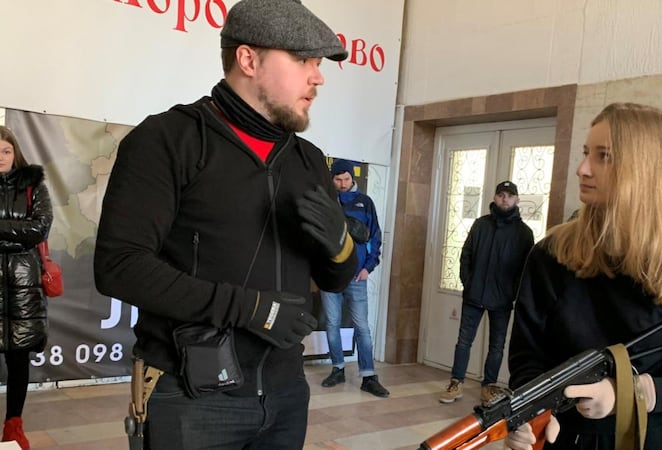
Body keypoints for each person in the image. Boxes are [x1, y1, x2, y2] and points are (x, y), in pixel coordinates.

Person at [93, 1, 358, 448]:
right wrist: (250, 309)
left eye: (319, 64)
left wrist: (341, 245)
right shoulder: (167, 140)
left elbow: (336, 279)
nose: (318, 78)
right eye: (303, 61)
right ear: (248, 59)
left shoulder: (310, 161)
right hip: (190, 395)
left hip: (286, 395)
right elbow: (119, 266)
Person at [504, 103, 662, 450]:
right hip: (559, 438)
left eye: (604, 156)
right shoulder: (551, 253)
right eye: (586, 153)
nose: (582, 169)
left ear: (648, 169)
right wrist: (533, 415)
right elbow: (527, 355)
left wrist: (632, 393)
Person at [439, 181, 534, 404]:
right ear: (494, 197)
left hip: (502, 299)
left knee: (496, 346)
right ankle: (456, 382)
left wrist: (512, 292)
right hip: (474, 295)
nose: (505, 199)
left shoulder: (524, 233)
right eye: (501, 194)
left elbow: (526, 269)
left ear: (516, 199)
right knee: (464, 341)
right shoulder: (481, 224)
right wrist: (469, 282)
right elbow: (466, 255)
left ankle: (488, 386)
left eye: (509, 195)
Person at [0, 125, 53, 450]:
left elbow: (40, 228)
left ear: (15, 153)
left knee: (18, 359)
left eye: (6, 151)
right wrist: (17, 233)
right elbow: (26, 232)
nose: (0, 157)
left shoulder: (33, 186)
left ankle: (13, 427)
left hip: (23, 285)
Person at [318, 159, 389, 397]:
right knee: (332, 324)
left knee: (362, 327)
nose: (342, 184)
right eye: (338, 179)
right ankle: (337, 369)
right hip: (330, 275)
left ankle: (368, 376)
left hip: (357, 276)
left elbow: (375, 237)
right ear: (332, 179)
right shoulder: (326, 202)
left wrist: (368, 267)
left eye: (346, 179)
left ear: (352, 178)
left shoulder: (365, 202)